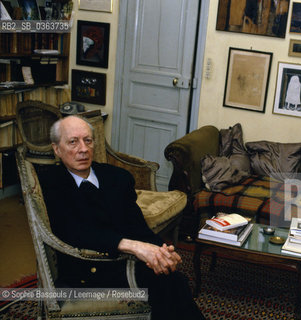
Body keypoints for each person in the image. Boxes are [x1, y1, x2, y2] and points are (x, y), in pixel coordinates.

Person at [38, 115, 204, 320]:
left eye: (87, 140)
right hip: (85, 265)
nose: (83, 149)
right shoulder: (49, 183)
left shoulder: (116, 177)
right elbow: (74, 232)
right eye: (73, 142)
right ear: (57, 149)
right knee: (168, 284)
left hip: (124, 260)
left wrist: (160, 251)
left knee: (171, 280)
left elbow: (136, 225)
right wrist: (134, 247)